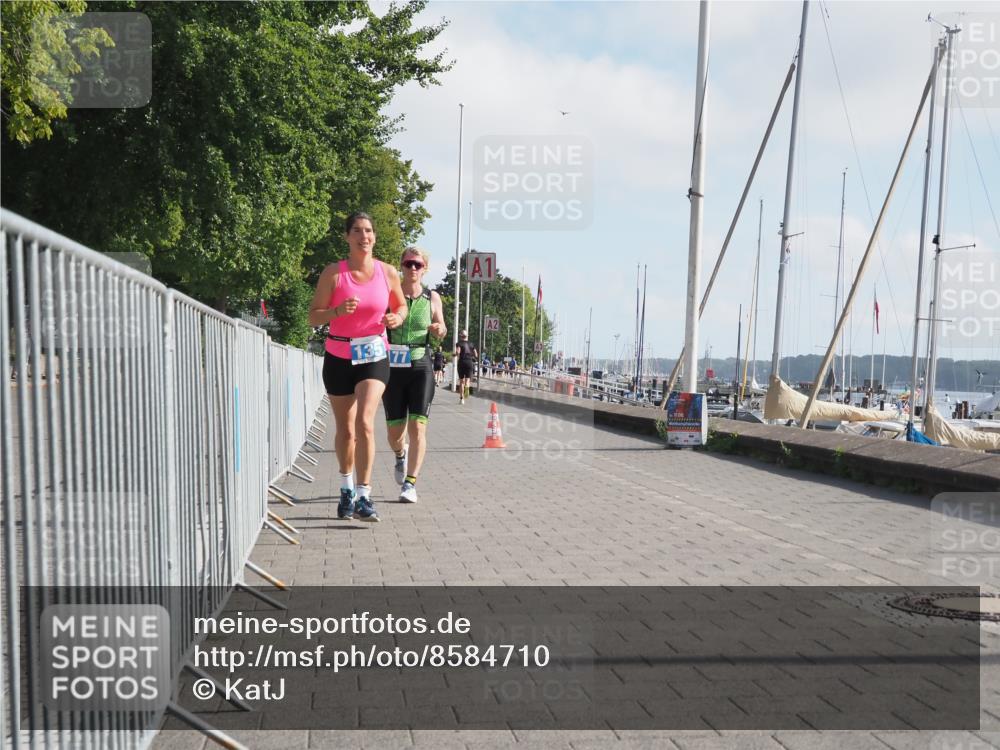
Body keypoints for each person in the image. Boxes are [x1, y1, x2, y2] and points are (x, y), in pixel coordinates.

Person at [309, 212, 408, 523]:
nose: (364, 236)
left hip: (374, 353)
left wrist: (398, 317)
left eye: (368, 231)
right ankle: (346, 488)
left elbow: (400, 304)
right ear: (347, 237)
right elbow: (313, 316)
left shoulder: (388, 272)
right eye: (357, 231)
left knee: (365, 422)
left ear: (374, 237)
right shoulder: (334, 275)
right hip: (339, 354)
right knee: (346, 430)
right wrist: (337, 310)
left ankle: (365, 495)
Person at [382, 247, 446, 503]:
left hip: (420, 364)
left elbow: (442, 327)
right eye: (408, 264)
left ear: (425, 268)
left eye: (417, 265)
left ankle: (410, 484)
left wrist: (439, 328)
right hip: (392, 366)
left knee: (418, 426)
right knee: (394, 432)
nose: (412, 269)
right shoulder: (389, 294)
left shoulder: (432, 298)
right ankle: (400, 455)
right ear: (401, 265)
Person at [454, 330, 478, 404]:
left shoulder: (459, 343)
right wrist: (472, 356)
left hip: (462, 362)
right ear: (467, 336)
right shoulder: (471, 344)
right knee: (467, 380)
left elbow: (458, 352)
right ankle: (467, 387)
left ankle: (462, 399)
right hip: (469, 362)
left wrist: (454, 354)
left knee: (461, 381)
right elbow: (476, 354)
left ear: (461, 336)